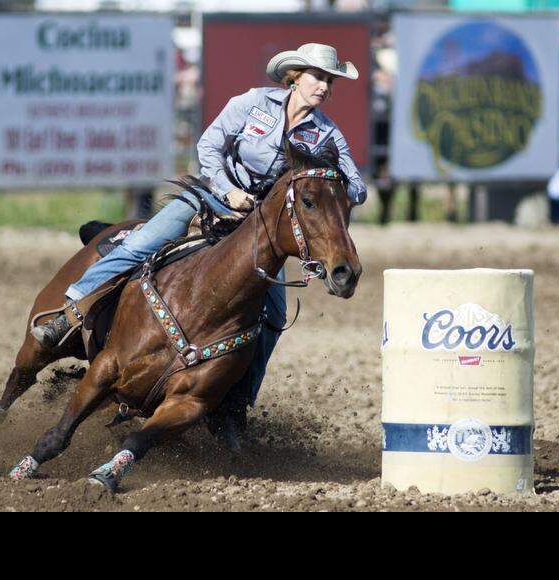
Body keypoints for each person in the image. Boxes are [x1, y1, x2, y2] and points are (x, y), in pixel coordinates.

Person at [31, 42, 368, 413]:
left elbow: (358, 188)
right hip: (211, 199)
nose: (324, 87)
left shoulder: (326, 134)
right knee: (143, 243)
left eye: (329, 81)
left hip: (262, 229)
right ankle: (68, 313)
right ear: (295, 78)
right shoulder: (252, 103)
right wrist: (228, 189)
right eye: (318, 77)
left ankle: (238, 404)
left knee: (274, 317)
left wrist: (328, 181)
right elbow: (210, 144)